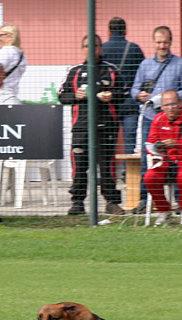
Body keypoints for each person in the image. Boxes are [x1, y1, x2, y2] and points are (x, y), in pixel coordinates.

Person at [58, 34, 125, 216]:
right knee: (79, 166)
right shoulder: (75, 71)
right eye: (87, 46)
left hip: (107, 127)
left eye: (94, 46)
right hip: (81, 127)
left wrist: (111, 95)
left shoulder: (111, 70)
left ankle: (111, 202)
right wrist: (76, 97)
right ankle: (77, 202)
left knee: (107, 167)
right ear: (82, 49)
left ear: (100, 49)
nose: (91, 49)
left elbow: (124, 93)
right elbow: (61, 96)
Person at [131, 26, 182, 213]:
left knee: (176, 155)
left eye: (165, 42)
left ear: (171, 42)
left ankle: (177, 200)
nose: (162, 46)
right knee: (147, 158)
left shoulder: (180, 64)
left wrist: (168, 99)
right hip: (150, 117)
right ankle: (144, 199)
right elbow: (134, 88)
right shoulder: (145, 65)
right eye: (159, 42)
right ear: (153, 43)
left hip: (173, 119)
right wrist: (140, 95)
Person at [144, 90, 182, 226]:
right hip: (165, 161)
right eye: (167, 105)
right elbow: (150, 143)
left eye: (173, 104)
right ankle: (163, 211)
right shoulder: (158, 119)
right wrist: (157, 148)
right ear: (162, 107)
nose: (170, 108)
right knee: (149, 177)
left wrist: (178, 144)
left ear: (180, 104)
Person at [102, 17, 145, 163]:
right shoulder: (134, 49)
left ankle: (108, 173)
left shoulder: (102, 49)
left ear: (109, 31)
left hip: (109, 102)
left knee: (107, 140)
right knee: (130, 139)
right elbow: (143, 73)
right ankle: (128, 175)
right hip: (129, 101)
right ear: (125, 31)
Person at [0, 24, 26, 96]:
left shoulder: (6, 51)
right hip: (12, 92)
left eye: (1, 35)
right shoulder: (20, 54)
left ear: (10, 36)